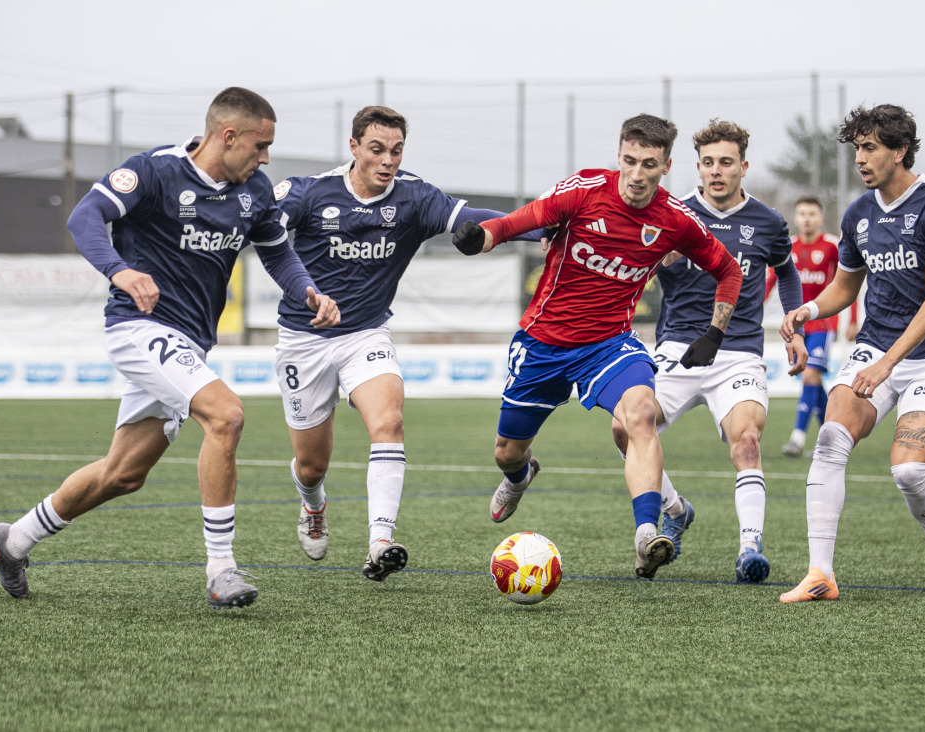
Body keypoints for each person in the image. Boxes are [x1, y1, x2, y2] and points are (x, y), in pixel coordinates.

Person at [0, 88, 339, 609]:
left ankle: (12, 541)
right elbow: (85, 217)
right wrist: (120, 270)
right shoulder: (153, 172)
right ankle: (222, 570)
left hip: (190, 345)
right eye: (260, 145)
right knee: (227, 416)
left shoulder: (255, 190)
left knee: (123, 474)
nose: (266, 158)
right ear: (228, 135)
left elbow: (279, 254)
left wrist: (308, 290)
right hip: (138, 328)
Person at [452, 114, 743, 580]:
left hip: (610, 343)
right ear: (619, 155)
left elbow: (729, 271)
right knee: (507, 451)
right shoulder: (584, 191)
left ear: (666, 166)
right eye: (630, 160)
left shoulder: (674, 220)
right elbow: (516, 222)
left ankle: (648, 533)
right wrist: (479, 238)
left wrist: (715, 333)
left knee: (641, 414)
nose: (637, 173)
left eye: (649, 164)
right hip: (544, 342)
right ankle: (519, 477)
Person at [271, 106, 542, 581]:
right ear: (353, 147)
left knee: (389, 420)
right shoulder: (310, 193)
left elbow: (477, 217)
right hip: (303, 341)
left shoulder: (415, 197)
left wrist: (549, 225)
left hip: (365, 335)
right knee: (312, 466)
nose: (388, 160)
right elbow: (263, 230)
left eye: (396, 150)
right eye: (377, 149)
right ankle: (313, 505)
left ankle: (380, 541)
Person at [778, 103, 925, 603]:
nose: (860, 160)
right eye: (857, 149)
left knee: (909, 469)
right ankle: (820, 574)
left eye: (870, 148)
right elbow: (845, 288)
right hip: (876, 347)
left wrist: (887, 364)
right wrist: (807, 310)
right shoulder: (859, 214)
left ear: (901, 151)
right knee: (830, 439)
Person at [609, 119, 808, 584]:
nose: (716, 171)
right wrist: (661, 261)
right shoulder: (670, 214)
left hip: (738, 351)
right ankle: (676, 510)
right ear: (695, 167)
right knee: (623, 428)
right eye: (708, 163)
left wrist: (795, 323)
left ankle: (749, 548)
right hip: (678, 346)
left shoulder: (768, 221)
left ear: (743, 166)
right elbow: (633, 266)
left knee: (748, 442)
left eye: (726, 162)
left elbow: (788, 272)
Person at [767, 196, 859, 457]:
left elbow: (848, 285)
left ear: (820, 218)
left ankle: (797, 439)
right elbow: (771, 280)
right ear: (795, 218)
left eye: (812, 214)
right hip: (795, 327)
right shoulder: (788, 247)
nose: (807, 218)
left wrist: (853, 319)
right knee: (812, 379)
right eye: (802, 214)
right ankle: (836, 435)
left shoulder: (831, 246)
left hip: (823, 323)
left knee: (809, 376)